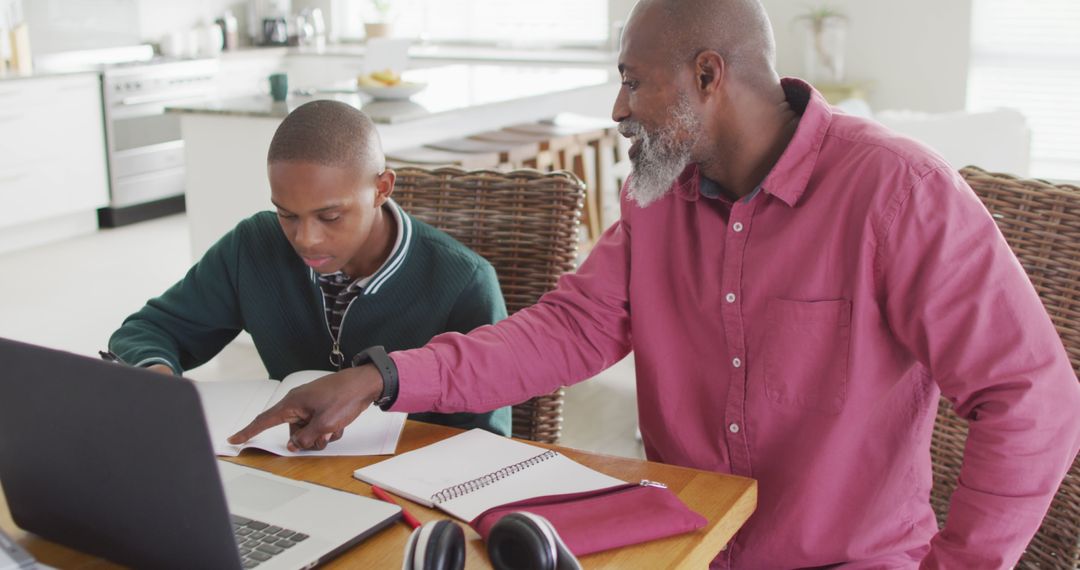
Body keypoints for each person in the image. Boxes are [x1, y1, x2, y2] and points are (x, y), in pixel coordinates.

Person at [230, 1, 1080, 567]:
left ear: (709, 76)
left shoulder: (897, 193)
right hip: (686, 548)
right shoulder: (660, 201)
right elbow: (567, 329)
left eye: (634, 80)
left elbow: (1033, 401)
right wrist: (383, 376)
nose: (617, 107)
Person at [108, 100, 510, 436]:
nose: (305, 239)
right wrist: (159, 378)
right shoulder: (254, 247)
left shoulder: (464, 283)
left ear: (381, 188)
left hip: (403, 494)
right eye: (287, 214)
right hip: (286, 474)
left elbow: (486, 440)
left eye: (329, 216)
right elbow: (145, 331)